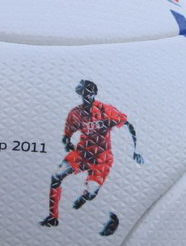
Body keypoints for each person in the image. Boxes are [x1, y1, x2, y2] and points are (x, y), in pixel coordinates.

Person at [40, 80, 143, 234]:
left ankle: (85, 197)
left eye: (88, 94)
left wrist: (136, 150)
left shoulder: (106, 110)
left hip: (101, 158)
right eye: (83, 94)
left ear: (94, 94)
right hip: (82, 154)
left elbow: (128, 125)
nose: (86, 97)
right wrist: (67, 142)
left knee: (91, 192)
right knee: (56, 176)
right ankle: (53, 217)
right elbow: (67, 134)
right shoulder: (76, 113)